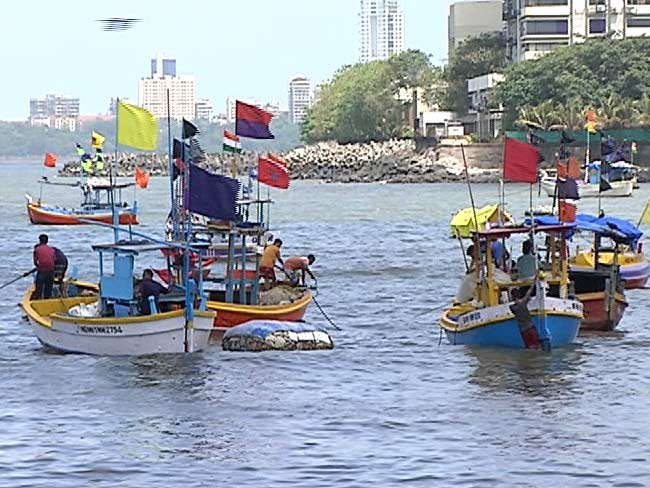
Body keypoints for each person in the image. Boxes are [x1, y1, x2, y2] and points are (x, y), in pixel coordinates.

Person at [509, 277, 541, 349]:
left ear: (512, 297)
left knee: (529, 348)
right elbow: (529, 291)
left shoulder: (511, 307)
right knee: (538, 346)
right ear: (519, 295)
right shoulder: (523, 302)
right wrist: (535, 278)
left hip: (523, 331)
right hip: (530, 328)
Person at [33, 234, 56, 299]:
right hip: (51, 271)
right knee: (48, 287)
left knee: (39, 286)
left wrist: (38, 267)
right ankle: (47, 297)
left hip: (42, 271)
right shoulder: (52, 249)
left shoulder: (37, 249)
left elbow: (35, 262)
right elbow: (54, 260)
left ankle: (38, 298)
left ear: (40, 241)